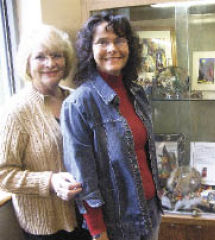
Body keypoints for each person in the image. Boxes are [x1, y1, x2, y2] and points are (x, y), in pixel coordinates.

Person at [61, 12, 162, 240]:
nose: (112, 48)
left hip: (151, 211)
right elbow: (83, 178)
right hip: (117, 225)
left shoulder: (137, 92)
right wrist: (98, 233)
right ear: (90, 49)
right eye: (102, 42)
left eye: (119, 40)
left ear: (130, 46)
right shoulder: (78, 104)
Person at [0, 25, 91, 240]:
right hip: (47, 226)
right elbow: (3, 174)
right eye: (40, 57)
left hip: (88, 216)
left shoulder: (78, 99)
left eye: (56, 56)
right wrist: (50, 181)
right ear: (28, 64)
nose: (50, 63)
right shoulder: (16, 111)